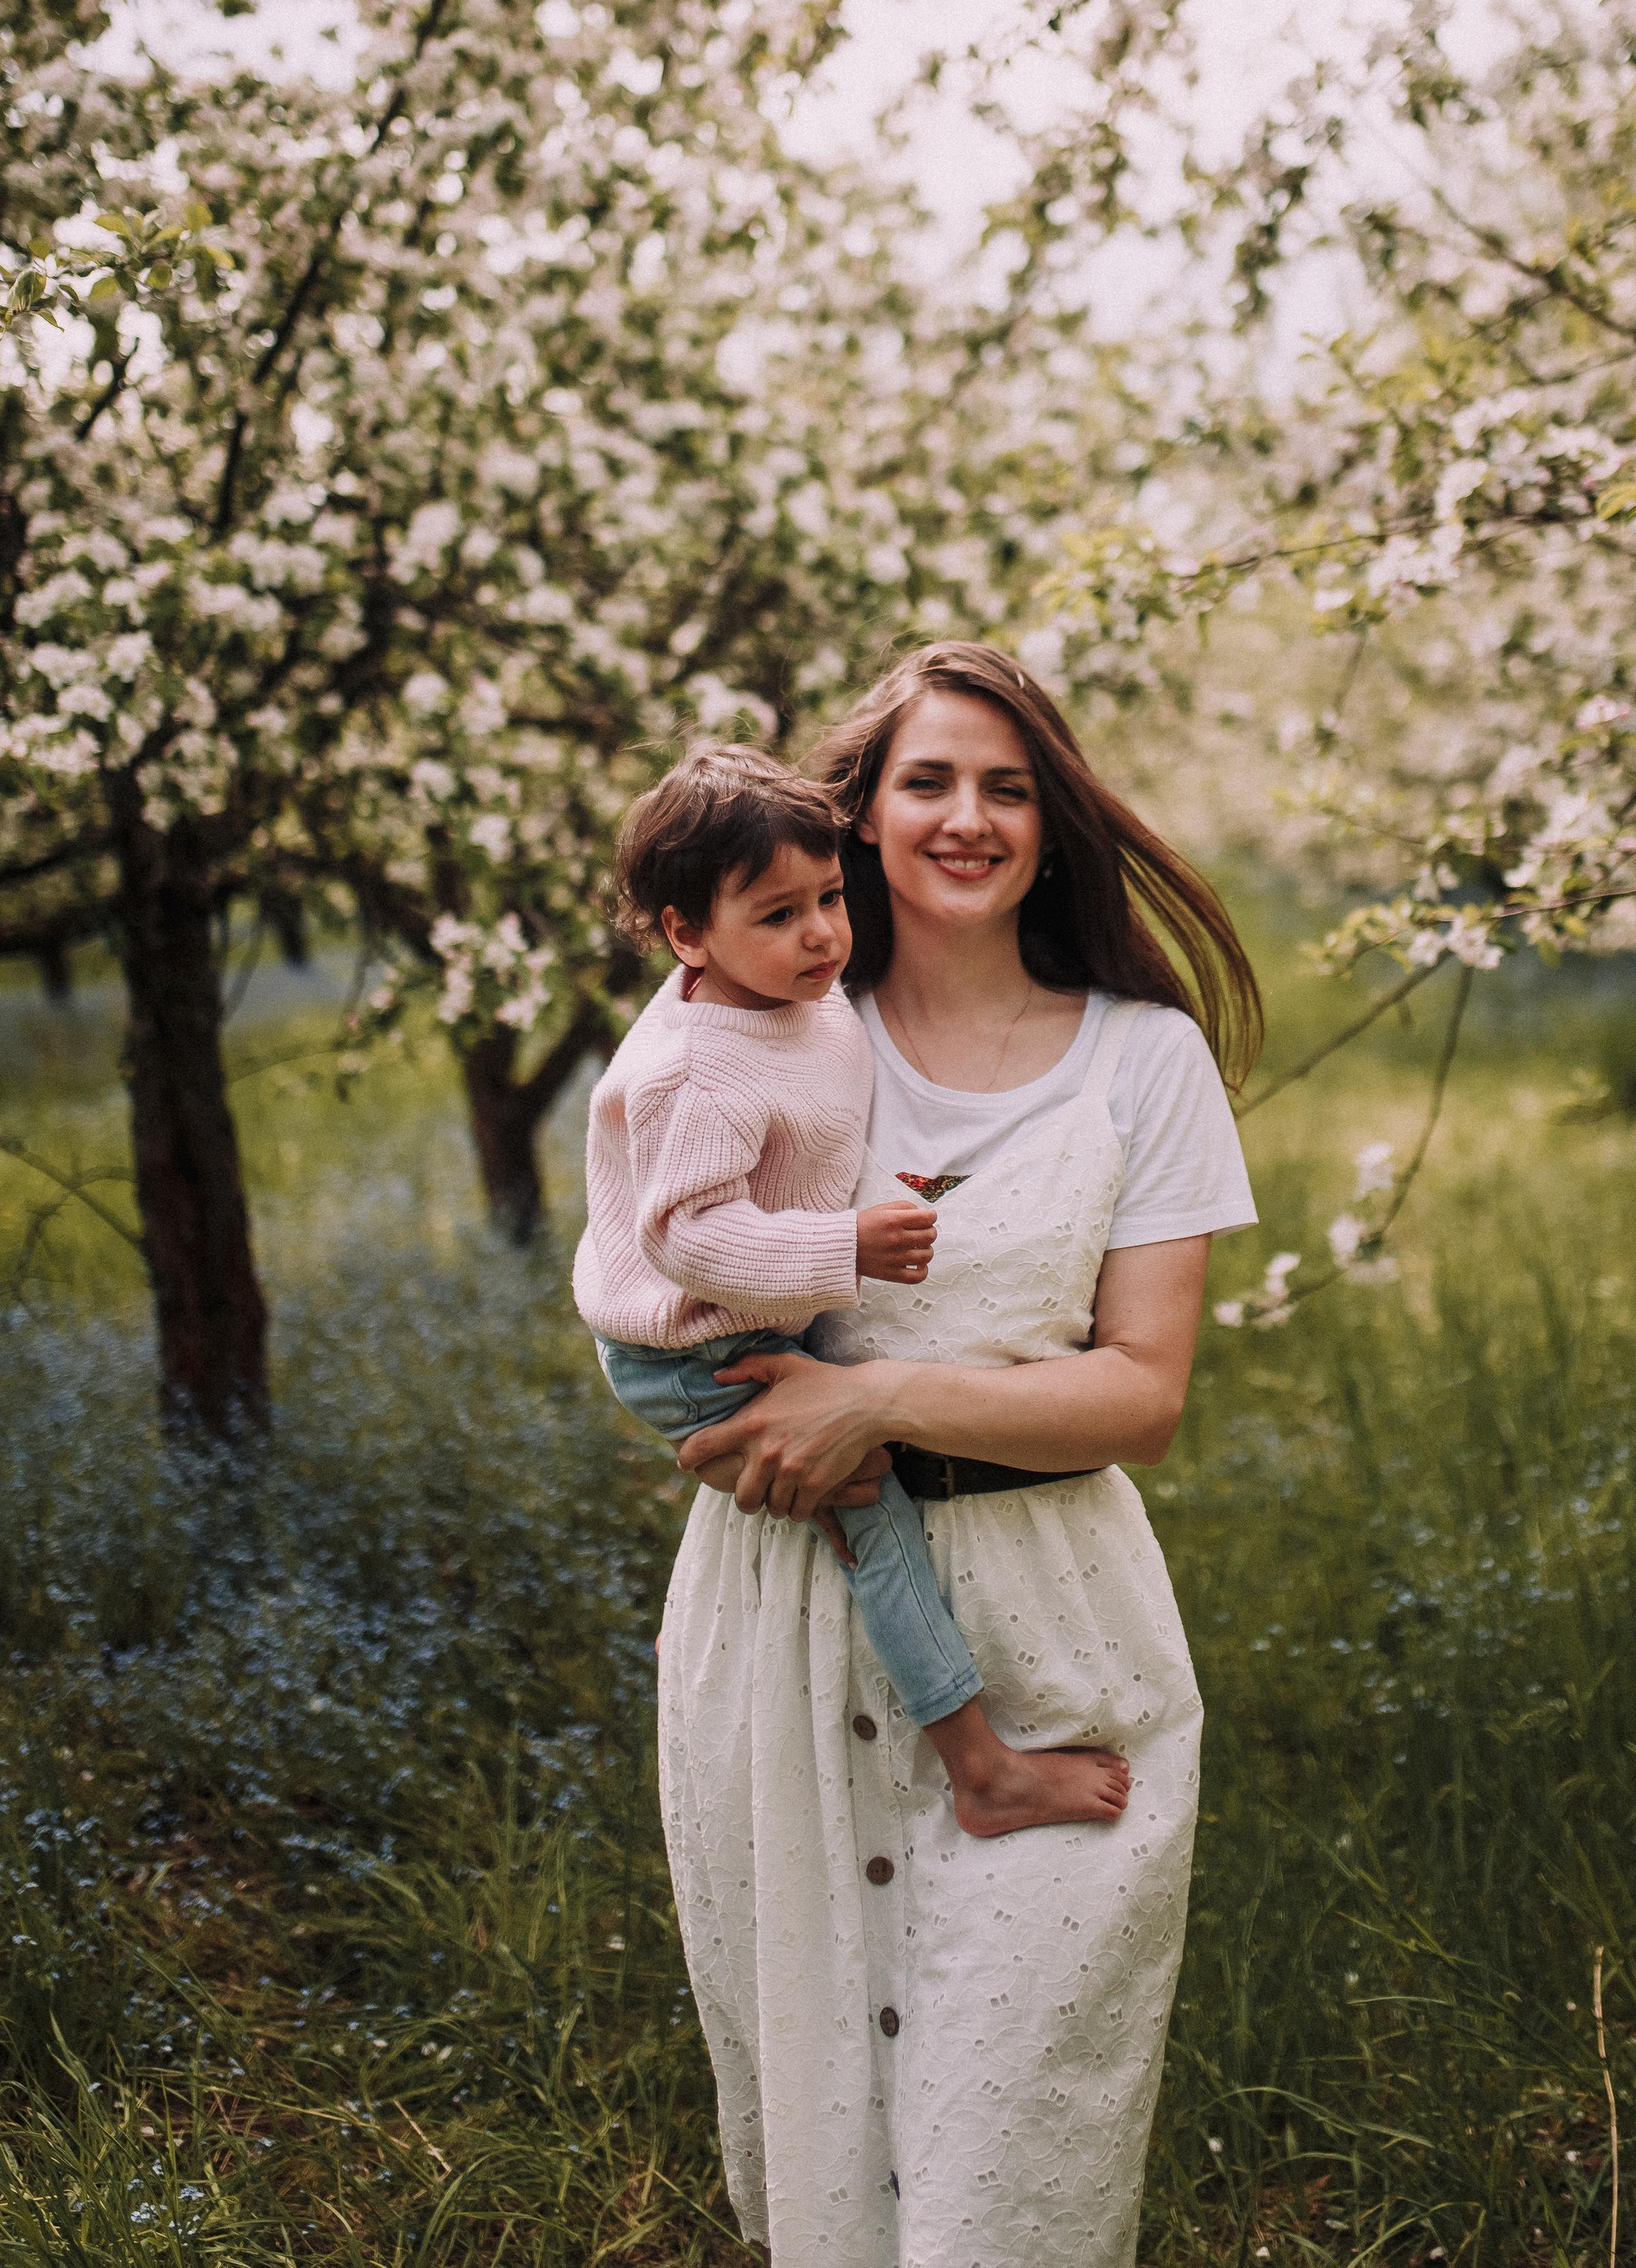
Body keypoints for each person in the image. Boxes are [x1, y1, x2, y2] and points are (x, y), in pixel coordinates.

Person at [653, 645, 1261, 2268]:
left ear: (1051, 826)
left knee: (1007, 2174)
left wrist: (874, 1404)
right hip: (783, 1622)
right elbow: (656, 1286)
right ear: (859, 817)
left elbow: (1139, 1394)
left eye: (1006, 786)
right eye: (927, 781)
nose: (967, 818)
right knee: (820, 2160)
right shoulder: (755, 1035)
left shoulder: (1144, 1061)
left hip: (1053, 1636)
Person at [575, 744, 1132, 1834]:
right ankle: (980, 1767)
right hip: (685, 1347)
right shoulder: (702, 1064)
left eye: (829, 898)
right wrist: (845, 1248)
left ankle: (702, 1626)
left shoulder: (784, 990)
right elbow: (689, 1236)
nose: (823, 934)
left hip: (732, 1318)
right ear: (690, 936)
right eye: (779, 916)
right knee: (866, 1500)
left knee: (827, 1477)